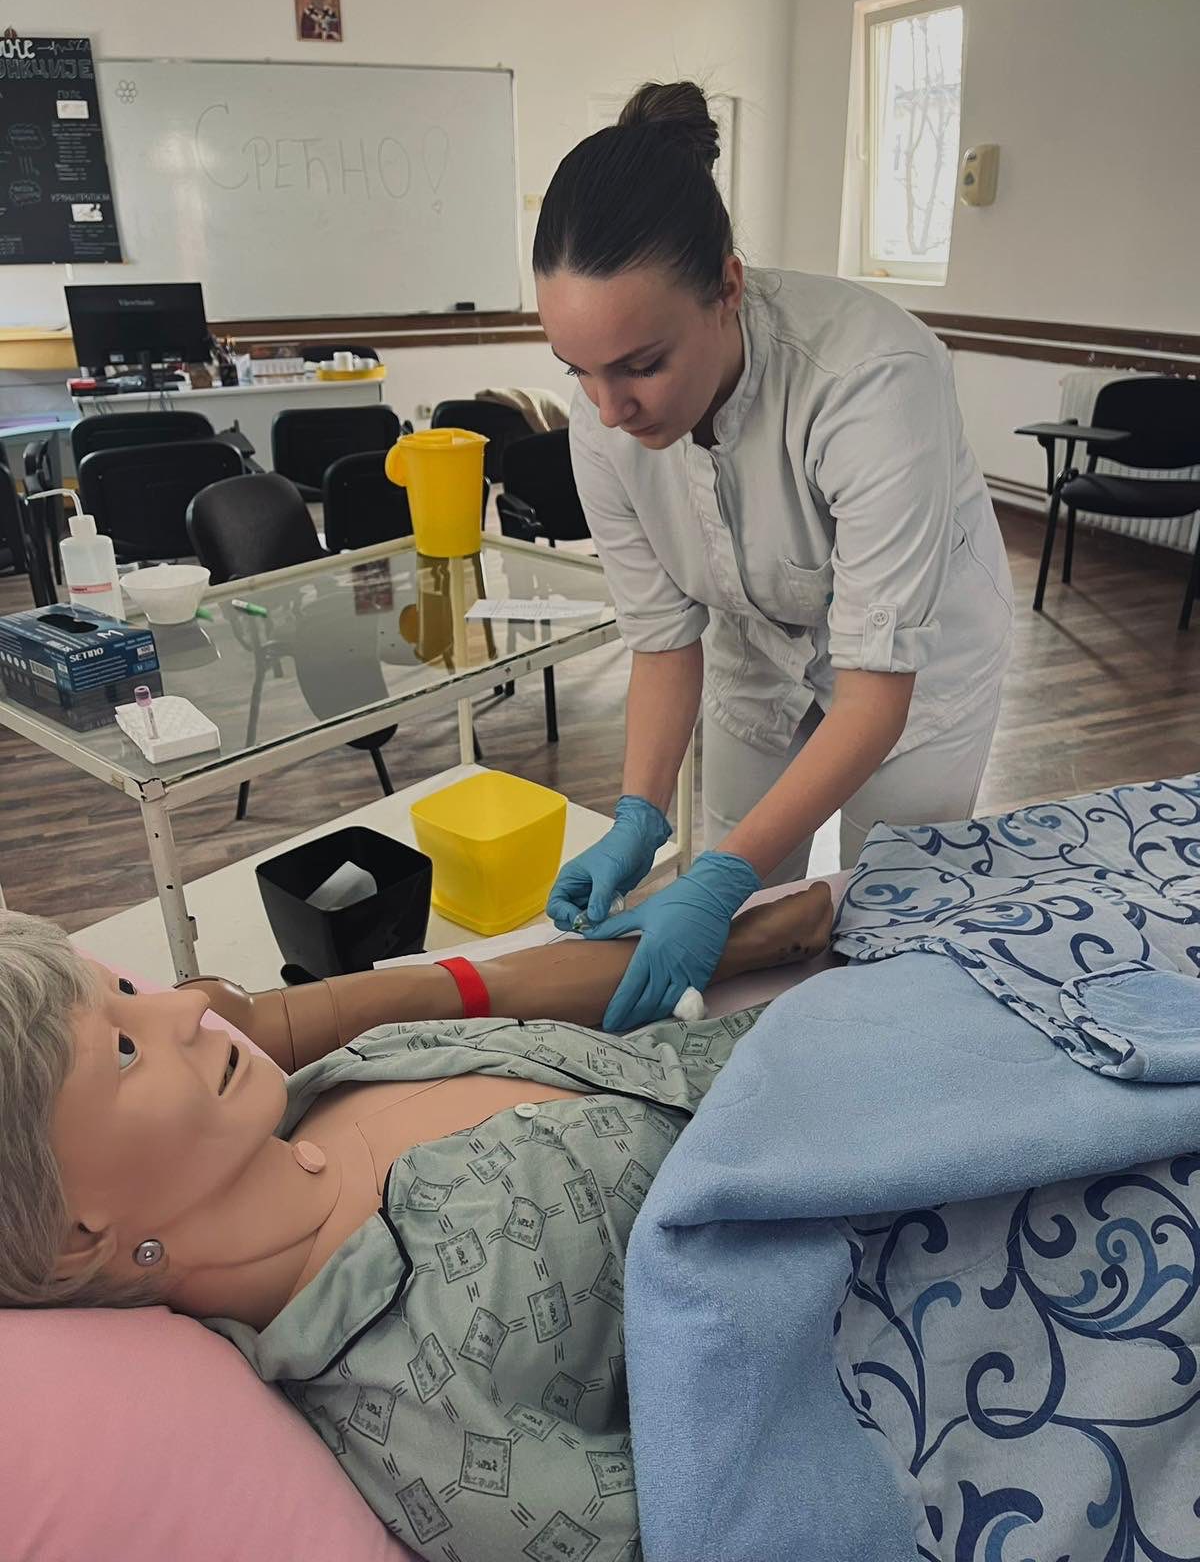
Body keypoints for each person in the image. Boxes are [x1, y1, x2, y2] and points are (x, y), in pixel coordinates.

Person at [0, 887, 831, 1562]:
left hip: (817, 1024)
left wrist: (742, 942)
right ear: (77, 1236)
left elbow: (483, 988)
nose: (183, 1012)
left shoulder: (315, 1083)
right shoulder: (423, 1414)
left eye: (127, 993)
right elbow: (740, 1518)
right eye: (123, 1050)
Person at [534, 80, 1014, 1033]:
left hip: (918, 670)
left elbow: (875, 698)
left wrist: (716, 878)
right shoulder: (606, 423)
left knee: (891, 908)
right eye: (577, 371)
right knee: (743, 912)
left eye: (641, 365)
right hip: (756, 650)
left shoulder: (872, 380)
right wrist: (639, 815)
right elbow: (663, 642)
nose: (611, 409)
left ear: (728, 287)